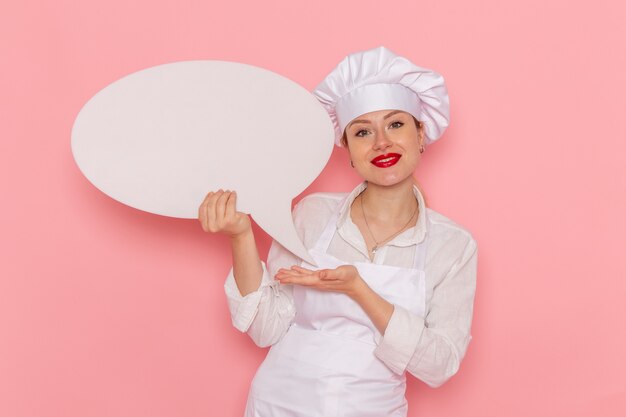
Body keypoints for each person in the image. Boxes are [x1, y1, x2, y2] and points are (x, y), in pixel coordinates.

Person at [198, 46, 478, 417]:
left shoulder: (453, 245)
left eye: (395, 124)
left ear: (421, 133)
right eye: (363, 132)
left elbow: (440, 364)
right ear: (347, 147)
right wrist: (241, 236)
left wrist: (358, 289)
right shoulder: (313, 213)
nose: (381, 143)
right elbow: (266, 329)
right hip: (275, 405)